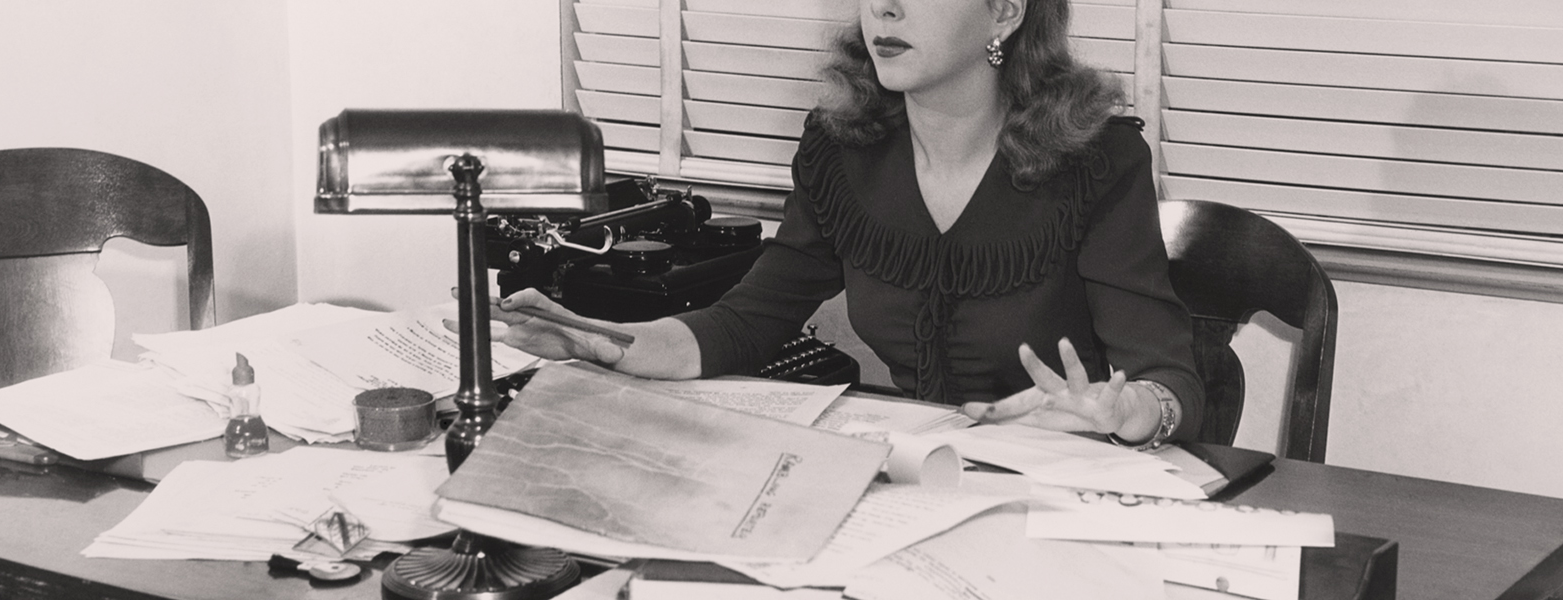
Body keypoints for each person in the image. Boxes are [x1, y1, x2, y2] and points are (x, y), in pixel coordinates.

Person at [481, 0, 1202, 448]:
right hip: (917, 470)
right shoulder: (841, 148)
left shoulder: (1097, 162)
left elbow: (1171, 380)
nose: (883, 9)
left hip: (1056, 486)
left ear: (1005, 13)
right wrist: (604, 341)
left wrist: (1130, 411)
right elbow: (747, 322)